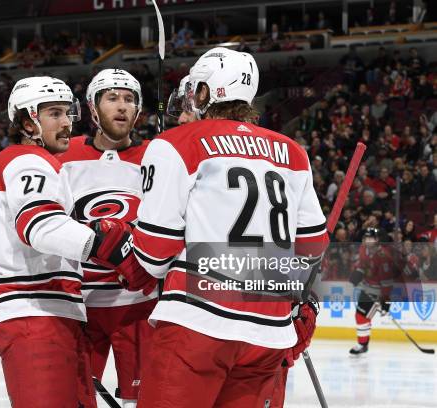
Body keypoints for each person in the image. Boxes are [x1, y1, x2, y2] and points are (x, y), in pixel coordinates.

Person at [126, 47, 329, 407]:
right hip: (268, 331)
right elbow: (312, 246)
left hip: (198, 321)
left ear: (205, 92)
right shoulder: (292, 151)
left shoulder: (176, 142)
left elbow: (155, 253)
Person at [0, 76, 143, 408]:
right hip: (33, 315)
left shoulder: (43, 163)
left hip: (53, 313)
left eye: (68, 112)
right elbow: (40, 226)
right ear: (27, 121)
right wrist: (106, 245)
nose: (67, 123)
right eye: (54, 113)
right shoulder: (26, 160)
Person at [58, 68, 156, 408]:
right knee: (74, 398)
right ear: (92, 108)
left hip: (139, 306)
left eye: (130, 99)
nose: (122, 106)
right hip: (81, 306)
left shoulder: (158, 157)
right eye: (112, 97)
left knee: (142, 400)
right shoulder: (63, 157)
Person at [349, 228, 393, 355]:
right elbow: (363, 266)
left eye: (371, 238)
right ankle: (363, 344)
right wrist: (357, 273)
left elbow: (387, 280)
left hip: (377, 293)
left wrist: (386, 300)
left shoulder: (383, 256)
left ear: (376, 240)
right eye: (366, 238)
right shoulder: (363, 250)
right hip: (366, 288)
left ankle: (362, 344)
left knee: (361, 316)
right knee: (361, 316)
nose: (368, 241)